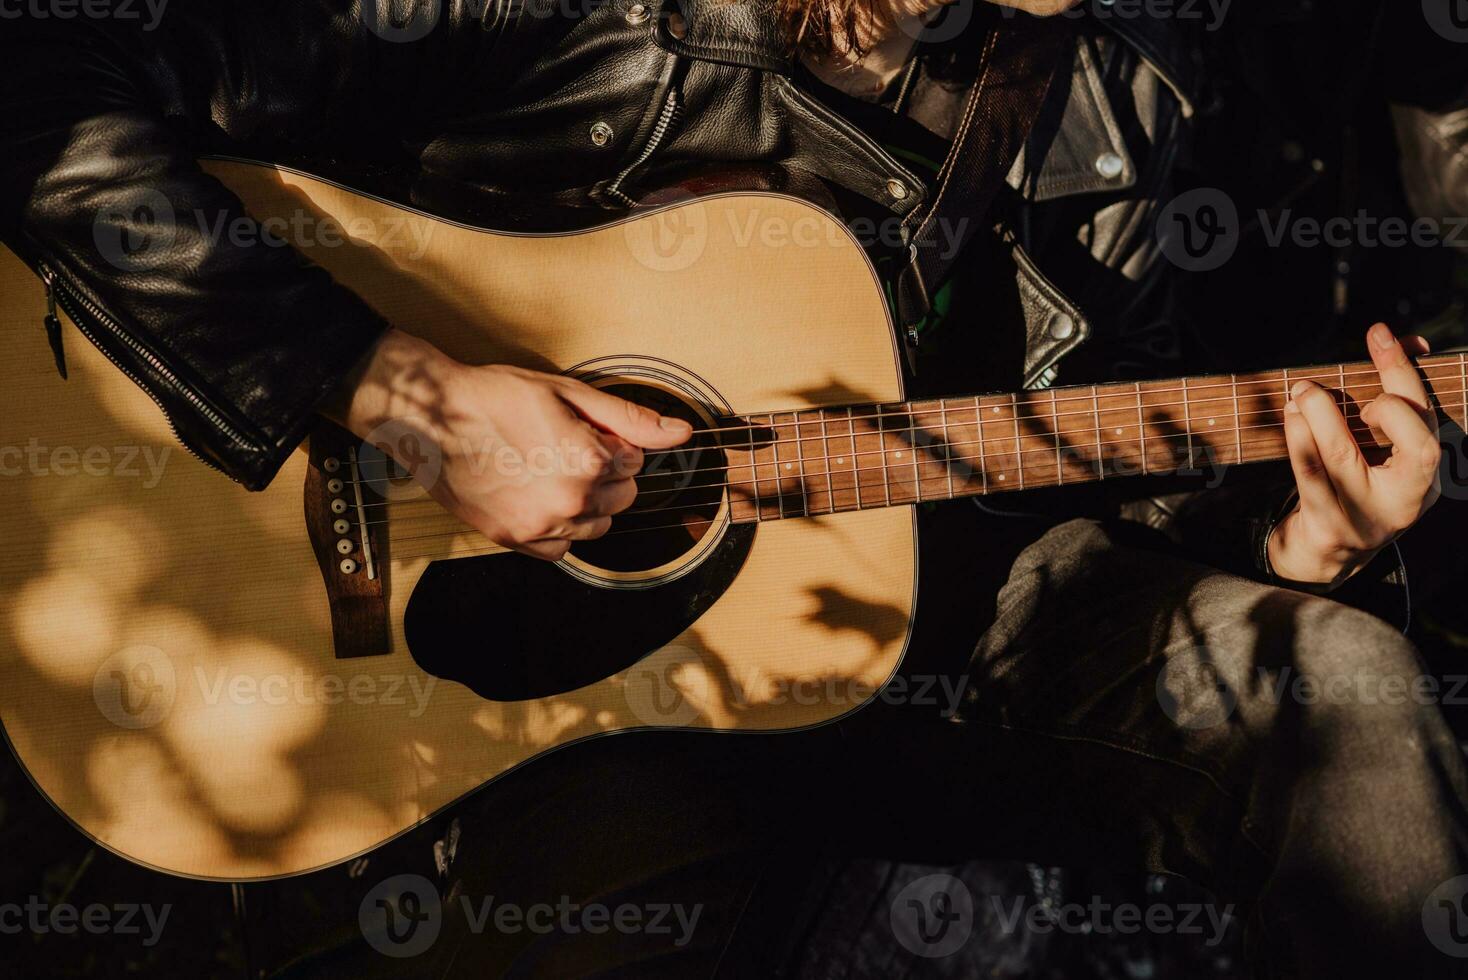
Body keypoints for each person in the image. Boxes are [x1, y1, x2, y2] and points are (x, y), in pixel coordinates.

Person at [3, 2, 1466, 976]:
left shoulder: (1132, 97)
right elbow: (47, 81)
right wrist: (412, 397)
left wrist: (1306, 539)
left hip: (921, 638)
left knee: (1337, 687)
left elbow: (1076, 495)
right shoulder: (631, 15)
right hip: (536, 684)